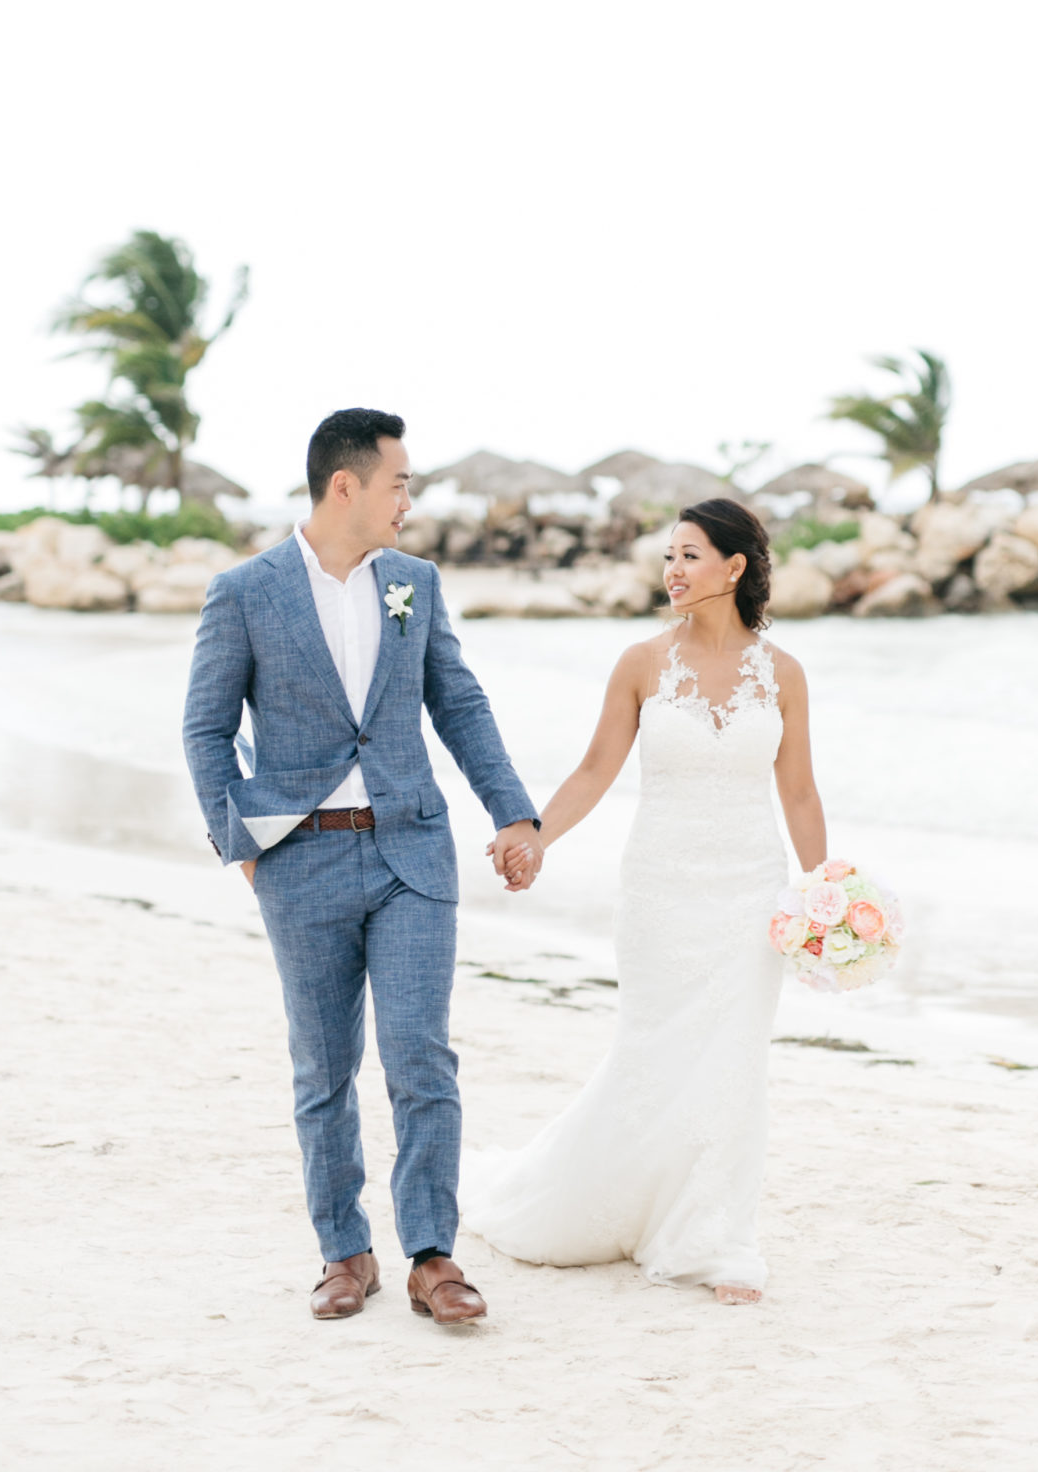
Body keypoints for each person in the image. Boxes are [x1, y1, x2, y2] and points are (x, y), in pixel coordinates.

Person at [182, 408, 542, 1325]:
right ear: (345, 486)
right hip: (297, 861)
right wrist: (244, 848)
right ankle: (344, 1251)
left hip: (410, 851)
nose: (408, 501)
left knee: (421, 1056)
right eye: (399, 483)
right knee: (323, 1068)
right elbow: (206, 731)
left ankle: (431, 1255)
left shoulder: (414, 582)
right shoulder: (244, 592)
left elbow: (458, 702)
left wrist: (512, 811)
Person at [460, 497, 826, 1303]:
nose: (672, 570)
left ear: (734, 566)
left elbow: (798, 793)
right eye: (668, 556)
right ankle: (619, 1203)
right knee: (652, 1049)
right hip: (661, 889)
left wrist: (822, 892)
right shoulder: (641, 664)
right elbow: (595, 770)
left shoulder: (785, 674)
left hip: (750, 893)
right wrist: (534, 836)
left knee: (733, 1062)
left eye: (689, 555)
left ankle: (713, 1237)